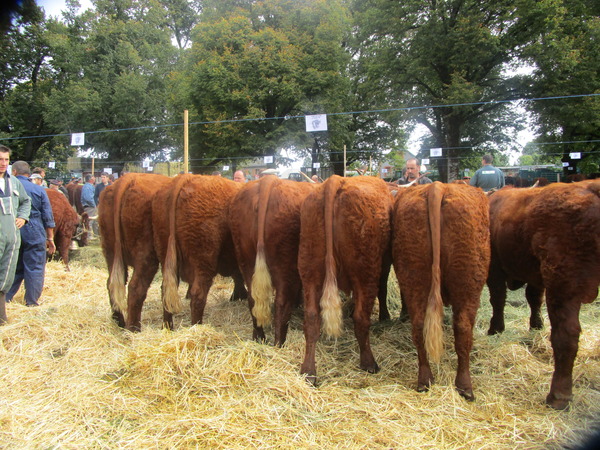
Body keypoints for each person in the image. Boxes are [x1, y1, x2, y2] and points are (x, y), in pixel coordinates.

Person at [5, 160, 54, 308]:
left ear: (14, 172)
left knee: (13, 265)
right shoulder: (39, 190)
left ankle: (6, 298)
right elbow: (47, 216)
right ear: (29, 174)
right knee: (35, 266)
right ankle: (31, 301)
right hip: (34, 230)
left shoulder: (7, 188)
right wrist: (50, 238)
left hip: (14, 230)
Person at [0, 146, 31, 324]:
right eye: (0, 160)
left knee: (6, 276)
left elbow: (26, 201)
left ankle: (2, 316)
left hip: (12, 238)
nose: (3, 163)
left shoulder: (14, 182)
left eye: (6, 159)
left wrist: (23, 217)